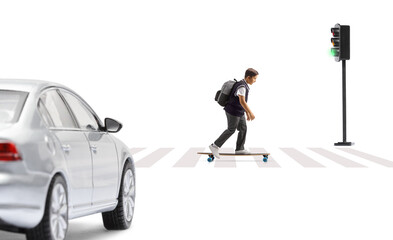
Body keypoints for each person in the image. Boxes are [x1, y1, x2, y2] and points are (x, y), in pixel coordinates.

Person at [209, 68, 258, 159]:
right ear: (248, 77)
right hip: (233, 111)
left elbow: (242, 104)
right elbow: (242, 102)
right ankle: (215, 145)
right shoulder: (242, 87)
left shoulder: (243, 85)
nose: (255, 81)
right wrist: (250, 113)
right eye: (254, 78)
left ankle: (240, 149)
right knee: (231, 129)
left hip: (239, 112)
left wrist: (246, 112)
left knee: (243, 128)